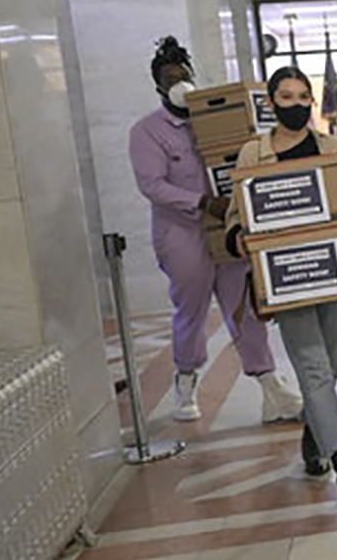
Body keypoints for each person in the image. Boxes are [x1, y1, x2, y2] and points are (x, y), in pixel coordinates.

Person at [128, 36, 303, 424]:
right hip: (182, 234)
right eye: (170, 79)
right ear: (158, 86)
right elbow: (152, 185)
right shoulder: (147, 132)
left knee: (245, 308)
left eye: (184, 75)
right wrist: (202, 202)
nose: (179, 84)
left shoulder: (212, 119)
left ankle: (272, 389)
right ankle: (186, 383)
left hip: (226, 229)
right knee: (191, 311)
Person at [225, 67, 337, 504]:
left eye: (303, 96)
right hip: (286, 277)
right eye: (286, 97)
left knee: (329, 363)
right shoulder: (253, 153)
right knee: (313, 367)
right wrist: (239, 238)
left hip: (332, 271)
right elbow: (236, 215)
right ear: (271, 103)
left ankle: (314, 435)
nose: (296, 104)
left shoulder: (333, 148)